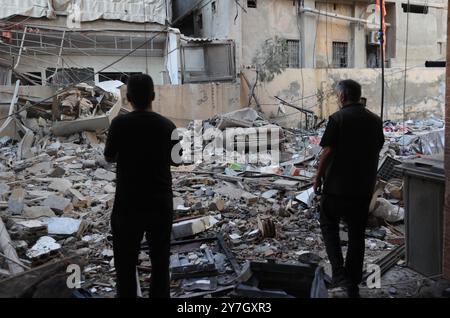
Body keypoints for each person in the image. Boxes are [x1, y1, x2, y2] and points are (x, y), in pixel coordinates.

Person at [104, 74, 181, 298]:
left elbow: (109, 157)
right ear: (153, 96)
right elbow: (177, 160)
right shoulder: (167, 126)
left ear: (127, 98)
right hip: (159, 203)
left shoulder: (119, 123)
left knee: (125, 263)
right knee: (160, 260)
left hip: (128, 204)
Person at [313, 79, 385, 298]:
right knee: (356, 234)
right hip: (362, 190)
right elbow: (378, 146)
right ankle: (352, 282)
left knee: (329, 226)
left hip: (336, 188)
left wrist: (317, 178)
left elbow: (326, 152)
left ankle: (339, 274)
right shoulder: (375, 120)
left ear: (342, 97)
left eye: (337, 96)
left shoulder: (338, 119)